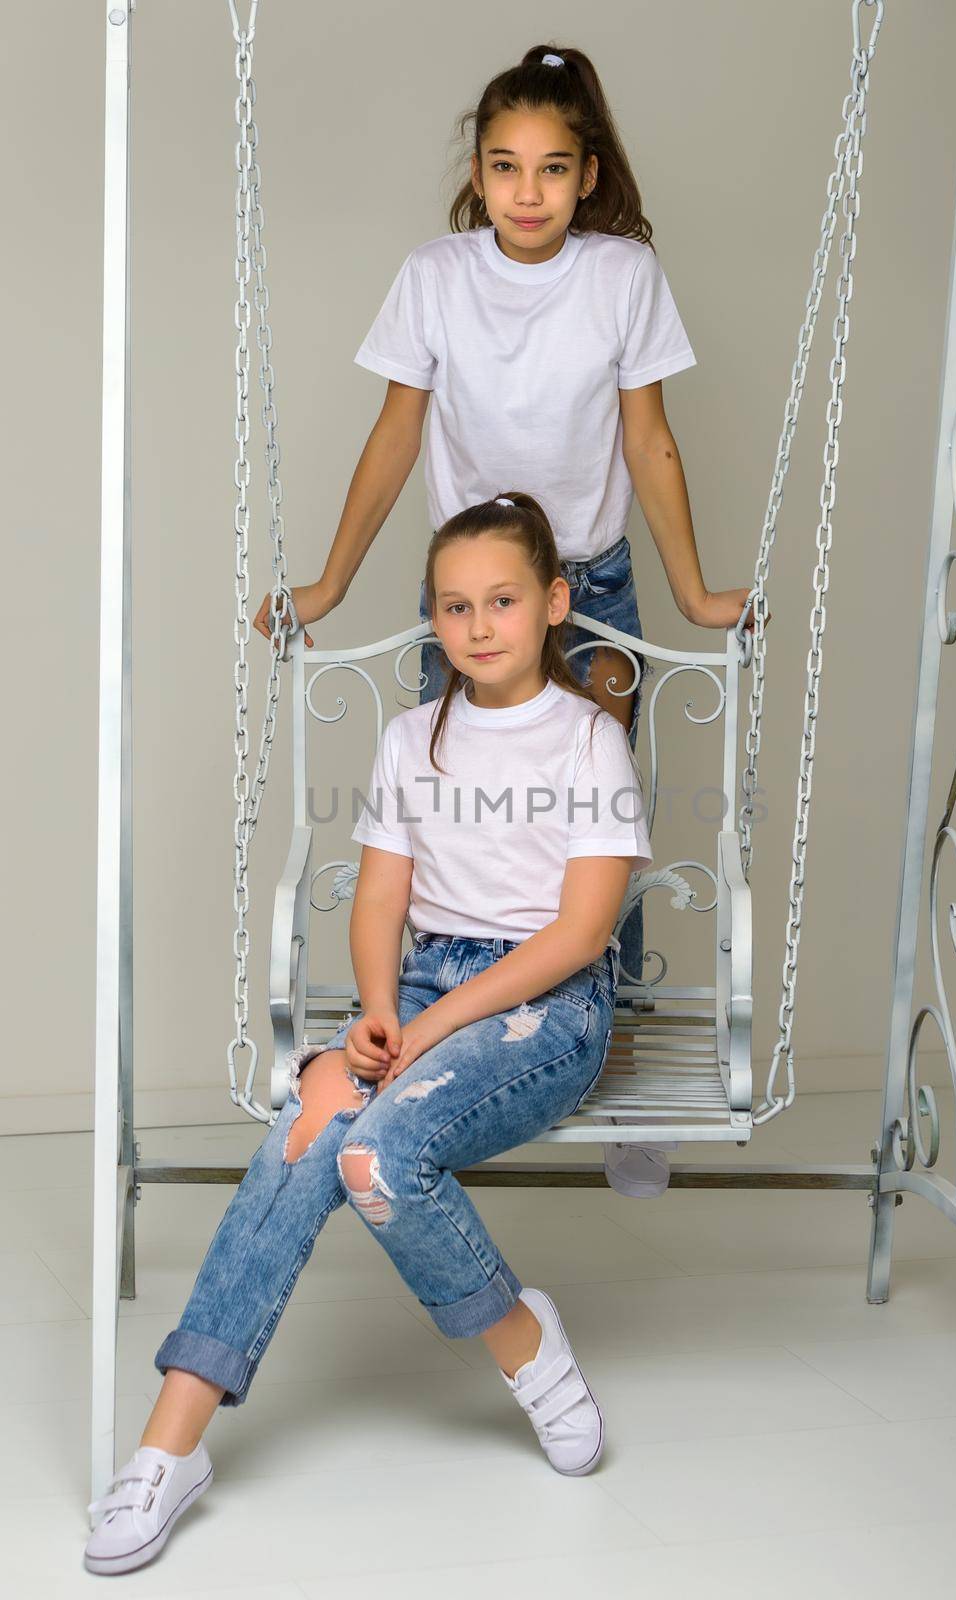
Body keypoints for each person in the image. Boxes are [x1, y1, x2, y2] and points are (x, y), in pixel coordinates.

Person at [84, 492, 654, 1576]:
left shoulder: (590, 737)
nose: (478, 624)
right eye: (453, 605)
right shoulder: (410, 737)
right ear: (433, 619)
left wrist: (431, 1024)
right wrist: (378, 1009)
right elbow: (383, 899)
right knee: (307, 1132)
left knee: (377, 1148)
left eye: (500, 600)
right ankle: (169, 1445)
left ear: (553, 603)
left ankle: (520, 1344)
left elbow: (582, 932)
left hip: (544, 1009)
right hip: (426, 985)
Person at [253, 43, 763, 1198]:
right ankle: (446, 1037)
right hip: (476, 589)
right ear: (476, 176)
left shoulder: (621, 276)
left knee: (593, 839)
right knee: (467, 813)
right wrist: (329, 582)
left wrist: (689, 593)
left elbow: (648, 440)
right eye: (502, 167)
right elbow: (395, 437)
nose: (524, 191)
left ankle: (611, 1054)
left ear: (587, 176)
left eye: (549, 168)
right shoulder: (435, 274)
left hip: (591, 588)